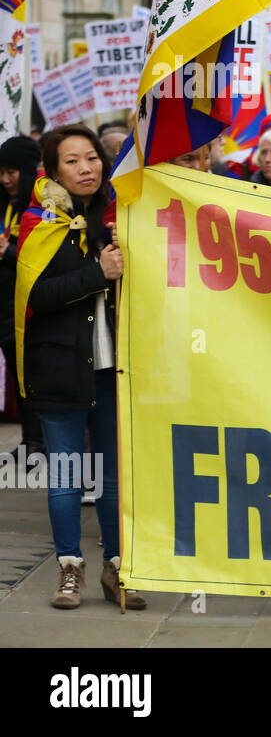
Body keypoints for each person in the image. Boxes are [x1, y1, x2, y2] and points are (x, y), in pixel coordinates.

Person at [16, 125, 144, 610]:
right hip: (59, 370)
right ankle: (70, 569)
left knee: (113, 479)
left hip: (114, 371)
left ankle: (117, 568)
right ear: (52, 172)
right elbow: (38, 297)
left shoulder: (121, 216)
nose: (86, 168)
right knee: (67, 476)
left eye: (91, 157)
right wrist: (98, 272)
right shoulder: (38, 224)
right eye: (72, 161)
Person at [0, 136, 41, 454]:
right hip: (5, 311)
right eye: (1, 172)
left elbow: (43, 257)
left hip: (29, 310)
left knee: (33, 379)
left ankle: (38, 442)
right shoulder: (8, 203)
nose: (5, 179)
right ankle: (30, 441)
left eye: (11, 171)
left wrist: (8, 250)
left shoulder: (43, 204)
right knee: (18, 378)